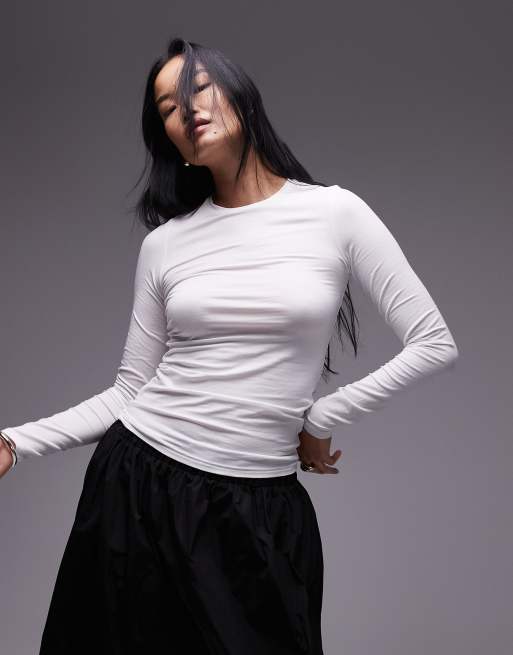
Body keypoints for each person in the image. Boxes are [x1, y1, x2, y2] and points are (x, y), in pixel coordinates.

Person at [0, 36, 458, 655]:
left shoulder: (335, 214)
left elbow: (433, 341)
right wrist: (14, 442)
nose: (187, 109)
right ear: (168, 138)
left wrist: (320, 417)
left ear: (241, 94)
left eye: (198, 87)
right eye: (167, 107)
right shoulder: (166, 245)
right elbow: (130, 392)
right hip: (140, 490)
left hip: (263, 510)